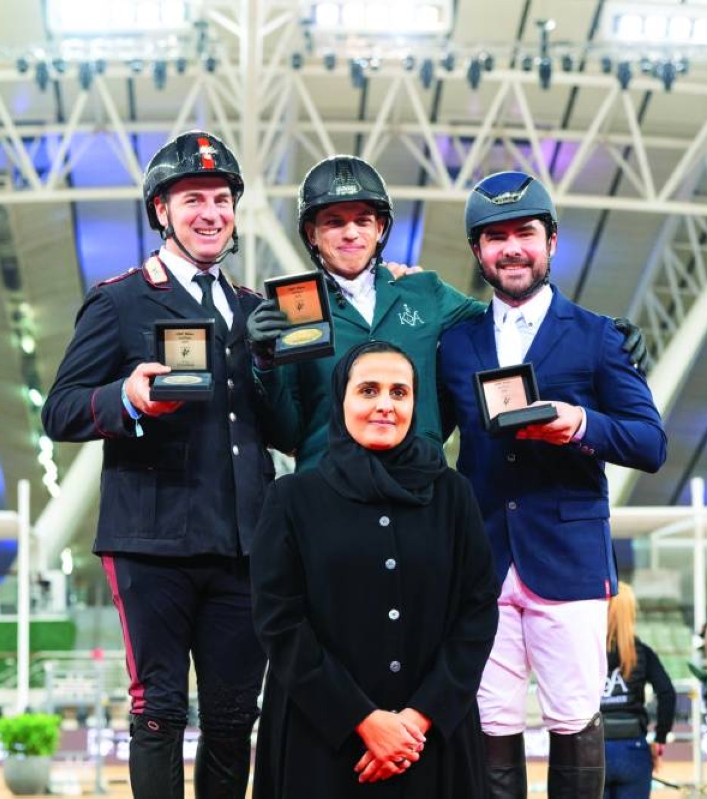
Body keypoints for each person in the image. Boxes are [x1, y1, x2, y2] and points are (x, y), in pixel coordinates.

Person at [42, 130, 282, 799]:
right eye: (193, 198)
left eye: (222, 199)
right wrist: (126, 396)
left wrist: (268, 363)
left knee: (236, 717)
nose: (211, 212)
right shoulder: (120, 301)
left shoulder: (253, 309)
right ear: (161, 212)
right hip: (151, 542)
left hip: (242, 544)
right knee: (160, 711)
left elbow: (280, 426)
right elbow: (59, 410)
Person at [436, 171, 668, 799]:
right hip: (483, 563)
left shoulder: (599, 336)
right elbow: (428, 438)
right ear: (478, 251)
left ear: (552, 241)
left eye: (524, 234)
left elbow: (651, 443)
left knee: (573, 721)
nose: (510, 248)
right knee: (490, 724)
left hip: (567, 561)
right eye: (494, 237)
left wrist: (581, 424)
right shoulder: (454, 344)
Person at [247, 155, 650, 473]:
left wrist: (607, 332)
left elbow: (511, 326)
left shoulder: (425, 291)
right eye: (334, 222)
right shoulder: (293, 311)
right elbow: (286, 432)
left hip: (420, 496)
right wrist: (264, 363)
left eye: (362, 220)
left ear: (381, 229)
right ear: (312, 234)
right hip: (327, 496)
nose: (351, 233)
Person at [249, 341, 499, 798]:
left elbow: (478, 611)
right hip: (322, 740)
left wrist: (417, 719)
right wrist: (361, 720)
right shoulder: (294, 499)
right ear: (341, 400)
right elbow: (279, 621)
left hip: (428, 741)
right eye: (368, 390)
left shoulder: (452, 495)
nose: (385, 404)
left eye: (399, 393)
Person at [600, 583, 677, 799]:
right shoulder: (643, 652)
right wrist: (659, 739)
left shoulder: (588, 652)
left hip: (595, 751)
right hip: (634, 750)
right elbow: (667, 693)